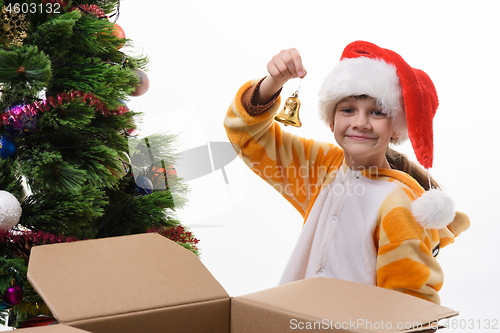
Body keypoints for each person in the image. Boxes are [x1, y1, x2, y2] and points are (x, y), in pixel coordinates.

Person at [223, 41, 469, 304]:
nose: (360, 123)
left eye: (377, 112)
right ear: (332, 120)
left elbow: (409, 305)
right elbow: (246, 136)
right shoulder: (322, 168)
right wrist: (272, 82)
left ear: (396, 127)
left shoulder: (398, 205)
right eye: (348, 110)